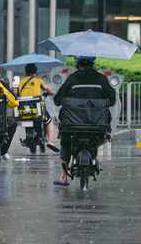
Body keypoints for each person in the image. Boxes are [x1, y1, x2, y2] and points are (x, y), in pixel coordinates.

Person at [53, 56, 115, 186]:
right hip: (97, 125)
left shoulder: (72, 79)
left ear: (77, 64)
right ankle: (94, 155)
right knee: (103, 134)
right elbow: (112, 100)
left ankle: (64, 176)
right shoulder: (101, 79)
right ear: (92, 64)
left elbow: (57, 100)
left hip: (72, 125)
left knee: (65, 142)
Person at [18, 63, 56, 151]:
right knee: (49, 121)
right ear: (35, 71)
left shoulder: (21, 81)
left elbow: (17, 93)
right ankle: (50, 141)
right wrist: (51, 92)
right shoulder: (38, 80)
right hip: (37, 107)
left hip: (24, 109)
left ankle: (29, 137)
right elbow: (48, 90)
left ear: (26, 71)